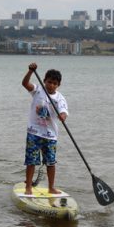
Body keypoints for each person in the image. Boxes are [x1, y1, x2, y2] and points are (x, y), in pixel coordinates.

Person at [22, 62, 68, 195]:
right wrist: (30, 71)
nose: (51, 85)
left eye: (54, 83)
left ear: (58, 85)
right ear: (44, 81)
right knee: (31, 161)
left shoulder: (60, 98)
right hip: (34, 132)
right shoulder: (38, 90)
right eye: (49, 82)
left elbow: (63, 112)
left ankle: (51, 187)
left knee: (51, 163)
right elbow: (25, 84)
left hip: (50, 135)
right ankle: (28, 187)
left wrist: (62, 116)